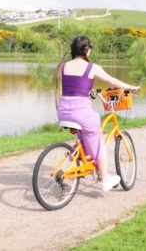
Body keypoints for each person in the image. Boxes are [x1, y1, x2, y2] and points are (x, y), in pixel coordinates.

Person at [58, 36, 139, 192]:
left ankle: (79, 153)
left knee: (86, 132)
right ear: (86, 50)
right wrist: (131, 87)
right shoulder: (91, 67)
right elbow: (112, 81)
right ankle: (105, 179)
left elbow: (74, 87)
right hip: (80, 111)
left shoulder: (63, 66)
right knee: (99, 139)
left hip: (63, 110)